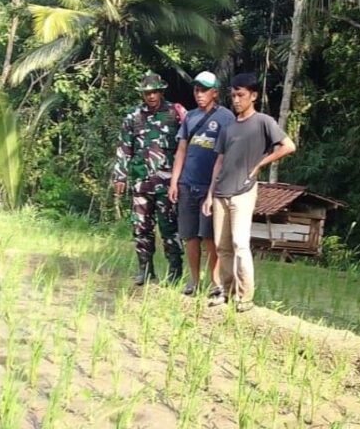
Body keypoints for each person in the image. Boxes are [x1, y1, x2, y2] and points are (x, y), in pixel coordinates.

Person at [201, 73, 296, 312]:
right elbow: (219, 162)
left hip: (244, 191)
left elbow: (288, 146)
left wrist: (261, 164)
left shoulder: (263, 122)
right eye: (233, 95)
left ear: (253, 96)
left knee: (240, 243)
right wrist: (210, 194)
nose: (236, 100)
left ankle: (245, 297)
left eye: (240, 95)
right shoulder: (228, 127)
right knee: (223, 247)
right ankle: (224, 290)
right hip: (221, 192)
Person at [114, 72, 185, 286]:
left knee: (169, 228)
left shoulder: (176, 114)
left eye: (154, 92)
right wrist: (120, 175)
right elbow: (124, 147)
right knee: (140, 227)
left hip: (167, 184)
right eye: (147, 93)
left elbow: (186, 146)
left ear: (161, 92)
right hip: (141, 182)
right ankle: (145, 269)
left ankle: (174, 271)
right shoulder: (133, 116)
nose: (151, 96)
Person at [168, 71, 235, 297]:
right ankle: (194, 281)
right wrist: (174, 182)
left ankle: (215, 282)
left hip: (211, 187)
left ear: (215, 92)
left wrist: (216, 189)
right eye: (197, 90)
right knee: (189, 236)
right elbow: (182, 150)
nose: (199, 94)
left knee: (209, 237)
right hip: (187, 184)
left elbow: (225, 154)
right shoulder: (190, 117)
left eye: (204, 90)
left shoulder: (226, 118)